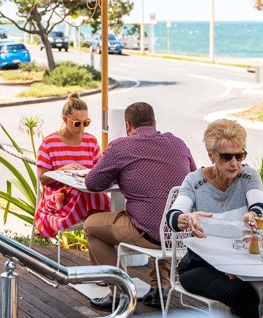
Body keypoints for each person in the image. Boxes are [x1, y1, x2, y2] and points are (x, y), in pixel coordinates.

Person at [83, 102, 195, 311]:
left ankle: (118, 291)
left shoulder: (121, 146)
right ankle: (159, 288)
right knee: (162, 210)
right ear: (154, 123)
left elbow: (93, 183)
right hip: (178, 232)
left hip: (147, 233)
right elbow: (191, 179)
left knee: (91, 226)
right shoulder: (178, 143)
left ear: (128, 125)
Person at [168, 119, 263, 318]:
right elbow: (173, 217)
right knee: (244, 295)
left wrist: (252, 214)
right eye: (226, 157)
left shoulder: (249, 177)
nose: (234, 163)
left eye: (239, 155)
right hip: (201, 266)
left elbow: (258, 205)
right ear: (211, 156)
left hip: (241, 263)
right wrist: (187, 218)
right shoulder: (194, 181)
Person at [34, 93, 110, 239]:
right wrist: (61, 171)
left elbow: (99, 171)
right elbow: (42, 179)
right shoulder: (49, 144)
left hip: (85, 193)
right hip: (58, 199)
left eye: (85, 123)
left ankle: (96, 237)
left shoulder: (91, 141)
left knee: (91, 193)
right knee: (88, 195)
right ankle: (98, 235)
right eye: (77, 123)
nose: (81, 127)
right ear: (65, 119)